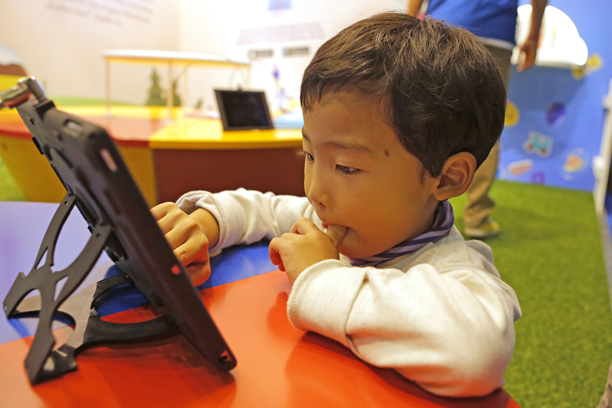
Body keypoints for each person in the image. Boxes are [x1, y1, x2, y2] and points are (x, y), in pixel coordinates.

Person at [151, 12, 521, 397]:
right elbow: (262, 208)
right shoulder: (334, 215)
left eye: (346, 166)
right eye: (309, 155)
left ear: (446, 178)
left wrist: (322, 277)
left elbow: (476, 352)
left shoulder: (458, 275)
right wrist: (208, 222)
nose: (314, 191)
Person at [407, 0, 547, 238]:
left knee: (424, 118)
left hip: (443, 25)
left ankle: (411, 209)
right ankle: (477, 215)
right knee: (485, 126)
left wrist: (408, 22)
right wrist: (533, 36)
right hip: (495, 31)